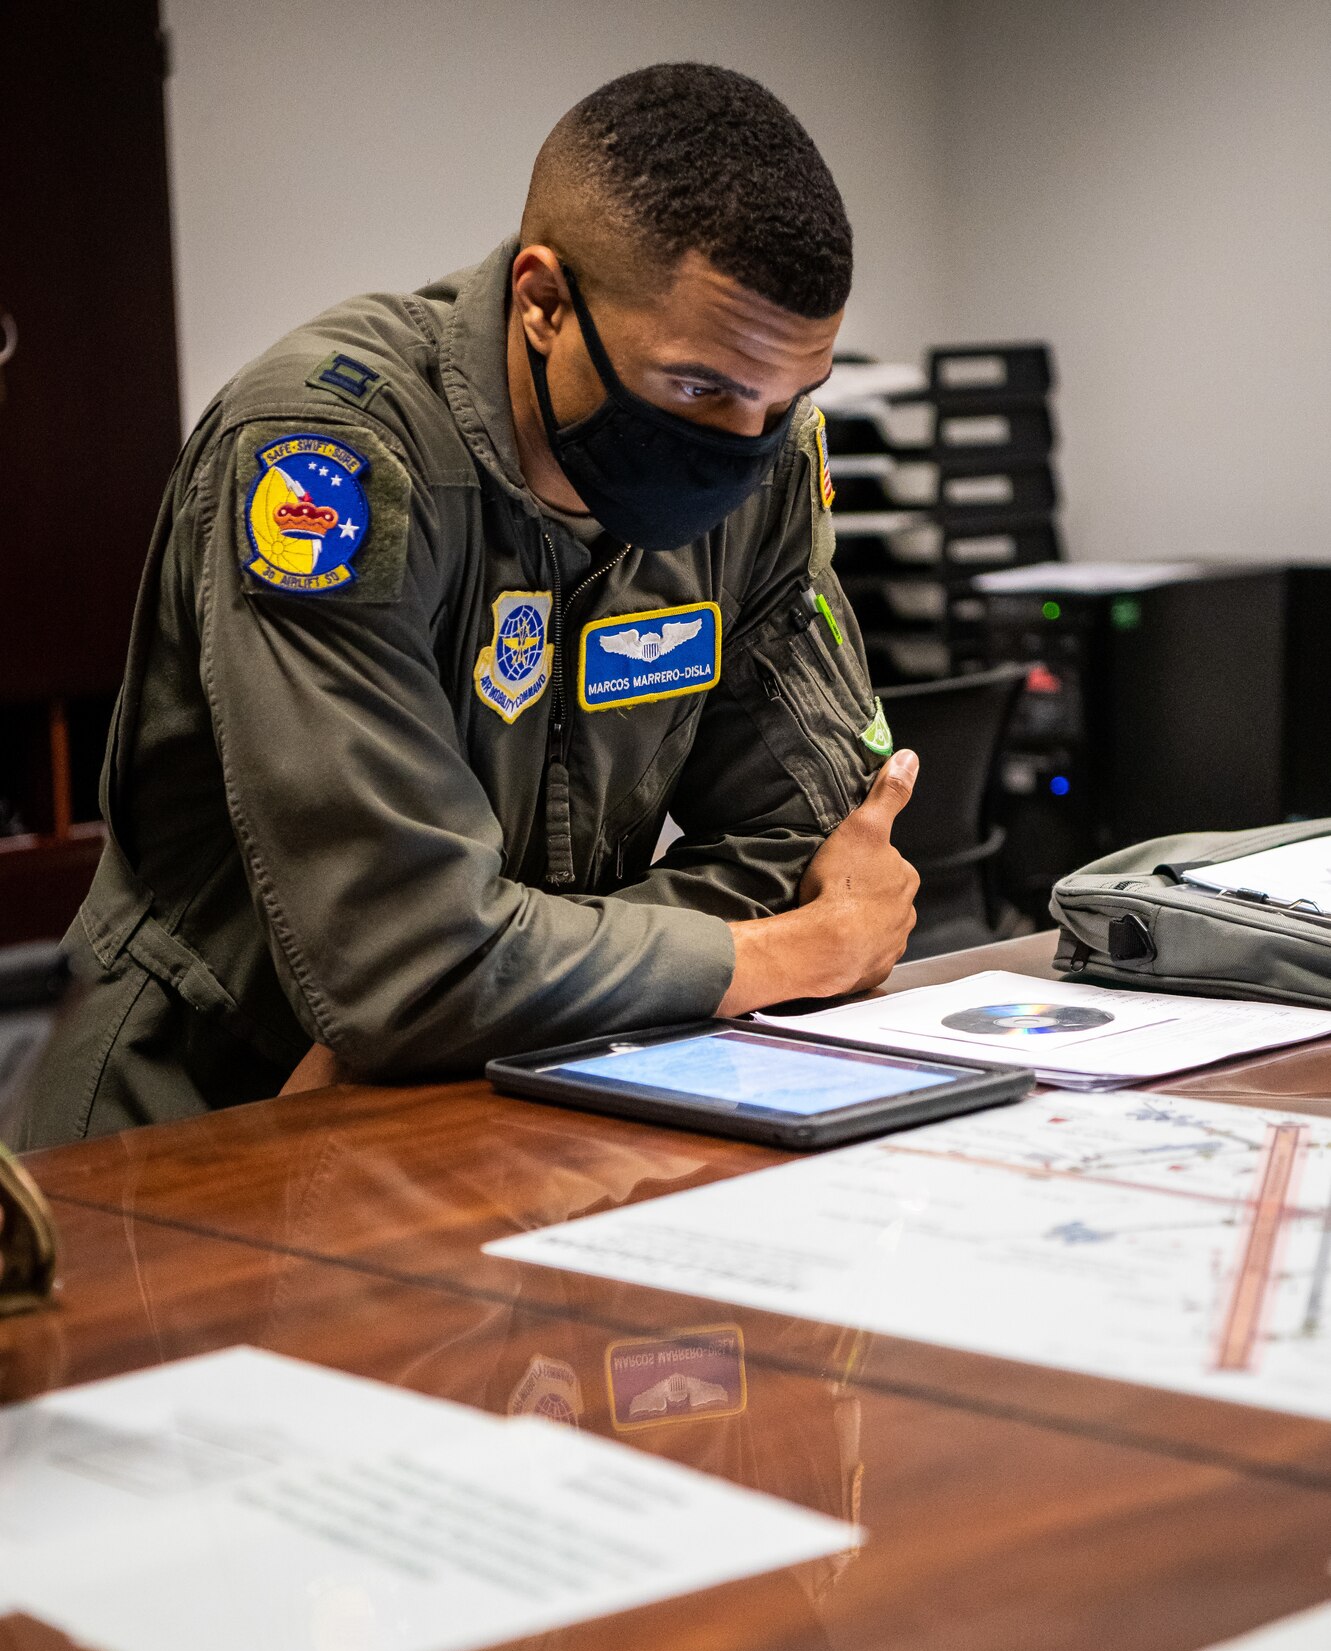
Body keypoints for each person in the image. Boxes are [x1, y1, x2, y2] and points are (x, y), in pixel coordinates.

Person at [20, 62, 918, 1147]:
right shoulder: (329, 462)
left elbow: (816, 836)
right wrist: (792, 953)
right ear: (543, 302)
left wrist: (489, 984)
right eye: (698, 388)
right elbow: (411, 959)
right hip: (215, 1106)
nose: (743, 444)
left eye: (784, 400)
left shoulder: (767, 466)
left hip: (517, 1089)